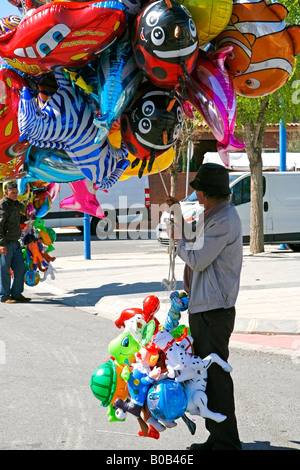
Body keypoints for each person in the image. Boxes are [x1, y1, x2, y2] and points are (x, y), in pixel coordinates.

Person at [165, 163, 243, 450]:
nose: (195, 193)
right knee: (206, 375)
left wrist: (178, 239)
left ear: (206, 192)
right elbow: (196, 241)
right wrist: (177, 216)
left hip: (213, 310)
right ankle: (218, 437)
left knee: (216, 377)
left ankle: (226, 443)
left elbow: (197, 257)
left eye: (197, 188)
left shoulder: (223, 219)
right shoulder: (215, 213)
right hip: (206, 307)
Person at [0, 181, 31, 303]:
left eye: (16, 192)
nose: (15, 195)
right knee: (4, 270)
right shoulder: (3, 206)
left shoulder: (16, 204)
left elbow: (17, 219)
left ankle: (16, 294)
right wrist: (1, 244)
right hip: (5, 243)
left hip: (15, 242)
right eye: (12, 193)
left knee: (20, 268)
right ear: (6, 193)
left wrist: (27, 217)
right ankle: (4, 296)